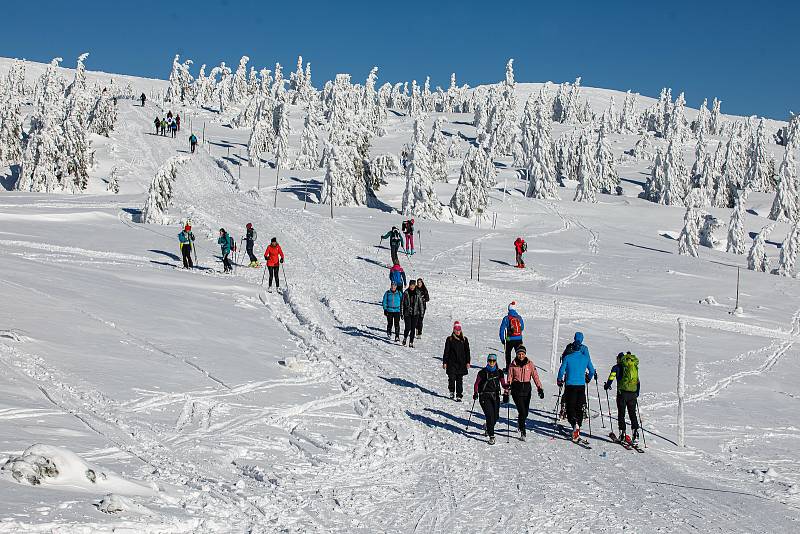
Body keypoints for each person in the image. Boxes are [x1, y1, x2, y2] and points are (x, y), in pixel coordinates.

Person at [557, 332, 596, 442]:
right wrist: (588, 377)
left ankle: (574, 424)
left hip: (570, 384)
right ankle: (578, 424)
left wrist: (559, 380)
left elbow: (561, 371)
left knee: (570, 406)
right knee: (578, 407)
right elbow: (592, 370)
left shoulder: (568, 356)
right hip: (581, 385)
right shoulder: (585, 357)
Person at [507, 345, 544, 440]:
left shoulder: (530, 364)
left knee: (525, 412)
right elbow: (509, 378)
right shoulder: (513, 364)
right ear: (516, 354)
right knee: (522, 411)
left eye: (522, 354)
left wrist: (539, 388)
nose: (521, 356)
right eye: (519, 354)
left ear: (525, 354)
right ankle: (523, 430)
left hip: (527, 390)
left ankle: (520, 423)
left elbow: (535, 376)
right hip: (516, 390)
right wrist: (507, 390)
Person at [604, 351, 641, 446]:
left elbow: (611, 378)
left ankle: (622, 434)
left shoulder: (616, 367)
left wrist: (607, 386)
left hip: (622, 394)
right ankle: (635, 434)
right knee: (633, 414)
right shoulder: (632, 367)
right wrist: (636, 393)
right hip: (632, 393)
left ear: (619, 359)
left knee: (621, 414)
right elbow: (637, 381)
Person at [473, 354, 509, 445]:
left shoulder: (499, 372)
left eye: (493, 361)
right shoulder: (482, 372)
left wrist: (508, 386)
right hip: (484, 397)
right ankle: (491, 436)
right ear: (487, 361)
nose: (492, 362)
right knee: (489, 416)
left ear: (496, 362)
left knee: (495, 417)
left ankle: (488, 426)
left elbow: (503, 384)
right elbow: (476, 384)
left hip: (495, 396)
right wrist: (475, 393)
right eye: (490, 360)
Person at [442, 321, 470, 401]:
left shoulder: (464, 340)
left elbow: (467, 351)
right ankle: (451, 390)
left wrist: (468, 362)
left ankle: (459, 395)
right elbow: (446, 351)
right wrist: (445, 362)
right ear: (453, 330)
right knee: (451, 378)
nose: (458, 331)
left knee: (459, 380)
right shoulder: (449, 339)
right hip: (451, 363)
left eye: (459, 329)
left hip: (461, 363)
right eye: (456, 329)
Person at [498, 301, 525, 372]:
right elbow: (522, 327)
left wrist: (503, 339)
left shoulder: (506, 318)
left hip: (509, 339)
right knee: (519, 354)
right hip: (519, 338)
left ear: (508, 309)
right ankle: (520, 368)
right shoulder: (519, 317)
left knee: (508, 354)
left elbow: (502, 330)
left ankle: (508, 369)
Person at [400, 279, 424, 348]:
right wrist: (401, 313)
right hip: (407, 313)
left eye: (413, 285)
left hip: (415, 313)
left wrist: (421, 313)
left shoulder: (418, 293)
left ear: (415, 286)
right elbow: (402, 304)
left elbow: (421, 304)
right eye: (411, 285)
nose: (412, 287)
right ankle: (405, 338)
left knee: (413, 328)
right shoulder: (406, 293)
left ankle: (411, 342)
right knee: (408, 328)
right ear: (409, 285)